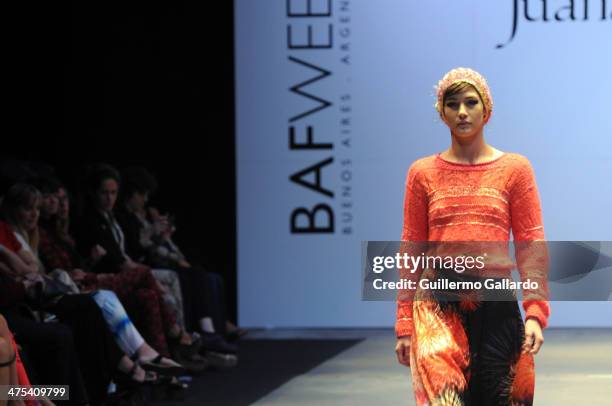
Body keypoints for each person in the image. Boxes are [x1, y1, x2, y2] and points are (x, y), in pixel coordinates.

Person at [394, 67, 550, 405]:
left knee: (502, 398)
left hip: (496, 306)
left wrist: (536, 312)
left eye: (470, 102)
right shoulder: (422, 173)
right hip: (438, 303)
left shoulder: (515, 169)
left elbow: (531, 244)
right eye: (453, 104)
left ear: (487, 109)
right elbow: (411, 249)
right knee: (447, 399)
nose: (462, 112)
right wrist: (404, 324)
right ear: (442, 112)